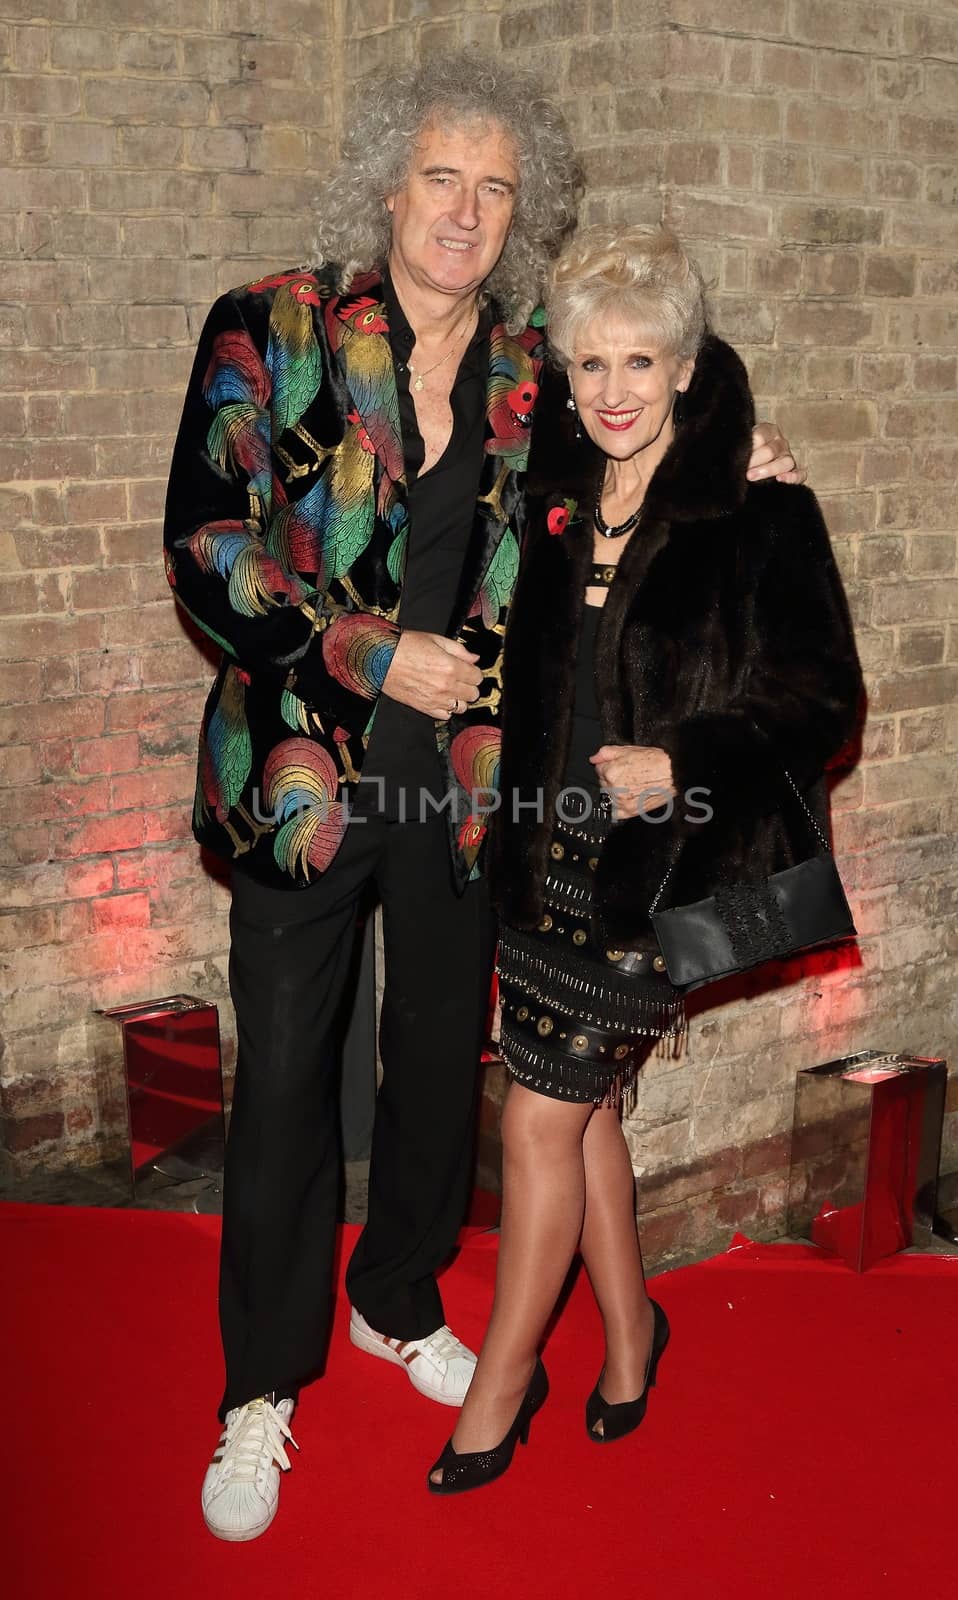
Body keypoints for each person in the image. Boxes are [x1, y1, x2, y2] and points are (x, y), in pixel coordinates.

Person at [163, 52, 801, 1541]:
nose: (465, 210)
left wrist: (749, 462)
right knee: (283, 1086)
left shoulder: (530, 370)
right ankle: (259, 1388)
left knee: (440, 1065)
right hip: (306, 781)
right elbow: (207, 541)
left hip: (470, 798)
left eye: (496, 187)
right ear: (390, 181)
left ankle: (395, 1300)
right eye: (441, 177)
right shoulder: (273, 326)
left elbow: (653, 436)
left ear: (523, 213)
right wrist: (376, 656)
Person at [427, 224, 863, 1493]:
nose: (614, 389)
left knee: (533, 1117)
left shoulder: (757, 503)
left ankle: (502, 1383)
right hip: (543, 861)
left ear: (686, 366)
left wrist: (683, 757)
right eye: (590, 364)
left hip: (657, 877)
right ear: (564, 374)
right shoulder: (551, 495)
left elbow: (824, 695)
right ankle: (631, 1337)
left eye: (641, 361)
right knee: (582, 1116)